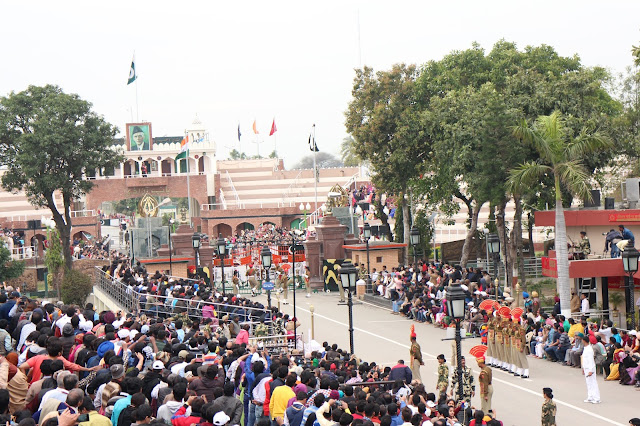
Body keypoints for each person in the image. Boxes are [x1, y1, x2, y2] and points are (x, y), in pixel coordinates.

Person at [581, 335, 600, 404]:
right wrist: (583, 368)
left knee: (593, 383)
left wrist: (590, 370)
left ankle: (596, 398)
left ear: (584, 341)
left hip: (590, 368)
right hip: (586, 368)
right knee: (588, 383)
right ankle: (590, 397)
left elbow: (591, 360)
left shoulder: (589, 349)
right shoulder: (585, 348)